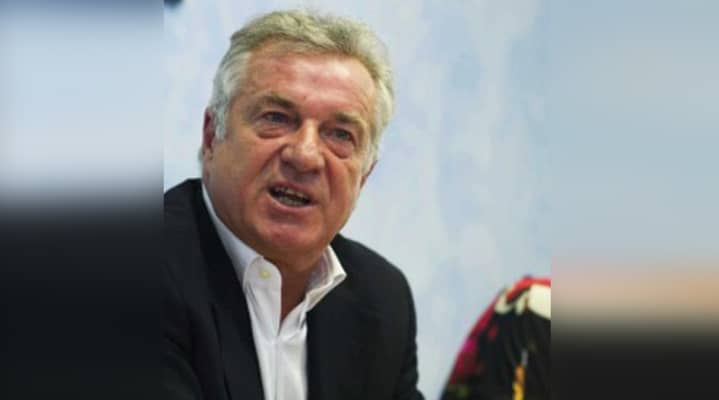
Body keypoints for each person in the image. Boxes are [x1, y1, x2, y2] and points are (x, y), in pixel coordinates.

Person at [163, 10, 423, 400]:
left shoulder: (380, 301)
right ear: (212, 136)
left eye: (340, 135)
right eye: (277, 118)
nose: (305, 155)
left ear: (364, 174)